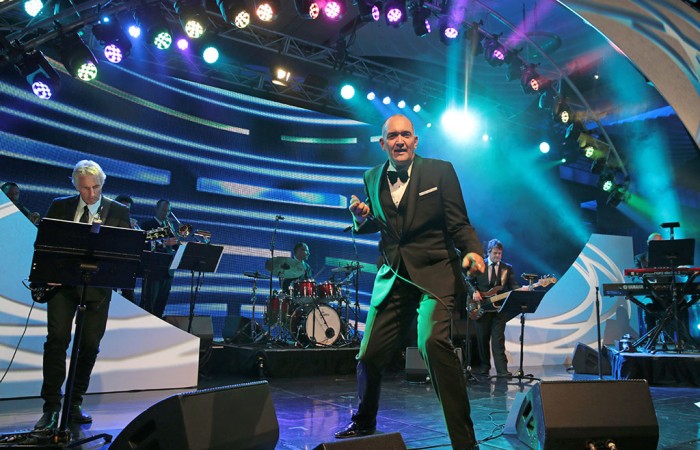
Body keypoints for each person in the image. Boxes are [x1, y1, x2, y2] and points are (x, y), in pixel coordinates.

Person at [337, 114, 485, 450]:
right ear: (383, 143)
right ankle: (364, 421)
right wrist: (360, 218)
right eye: (393, 136)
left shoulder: (440, 171)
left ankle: (465, 442)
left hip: (436, 272)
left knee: (432, 342)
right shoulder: (371, 177)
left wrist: (473, 251)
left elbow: (459, 223)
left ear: (415, 141)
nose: (400, 141)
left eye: (406, 134)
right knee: (369, 354)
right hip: (393, 275)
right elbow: (383, 223)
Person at [34, 160, 131, 430]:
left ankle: (74, 402)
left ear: (103, 184)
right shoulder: (60, 206)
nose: (91, 194)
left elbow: (125, 253)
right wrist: (48, 272)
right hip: (62, 287)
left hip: (97, 289)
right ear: (76, 186)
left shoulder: (118, 211)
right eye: (85, 188)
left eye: (96, 187)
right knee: (57, 341)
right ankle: (51, 407)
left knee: (89, 345)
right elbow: (44, 243)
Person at [468, 239, 522, 378]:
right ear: (489, 252)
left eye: (500, 253)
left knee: (498, 340)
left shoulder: (507, 268)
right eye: (495, 253)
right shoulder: (479, 265)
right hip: (481, 308)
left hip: (499, 310)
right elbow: (468, 281)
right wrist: (474, 292)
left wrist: (523, 290)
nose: (498, 256)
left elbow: (513, 286)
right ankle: (484, 367)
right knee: (482, 339)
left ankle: (502, 370)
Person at [139, 199, 178, 319]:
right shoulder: (147, 225)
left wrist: (176, 238)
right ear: (156, 209)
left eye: (168, 211)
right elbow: (144, 243)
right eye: (163, 210)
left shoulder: (169, 226)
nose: (166, 213)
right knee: (149, 303)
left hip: (168, 270)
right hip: (153, 270)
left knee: (161, 303)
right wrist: (164, 242)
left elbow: (175, 246)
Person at [633, 232, 666, 336]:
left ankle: (680, 339)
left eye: (660, 243)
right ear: (648, 243)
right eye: (655, 242)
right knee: (649, 306)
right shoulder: (640, 258)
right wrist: (649, 282)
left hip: (665, 293)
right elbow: (635, 278)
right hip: (648, 293)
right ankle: (651, 338)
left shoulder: (668, 258)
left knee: (680, 305)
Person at [114, 194, 139, 302]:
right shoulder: (107, 219)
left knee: (129, 295)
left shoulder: (131, 223)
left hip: (126, 264)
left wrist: (134, 231)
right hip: (109, 264)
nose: (126, 211)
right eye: (123, 208)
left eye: (128, 209)